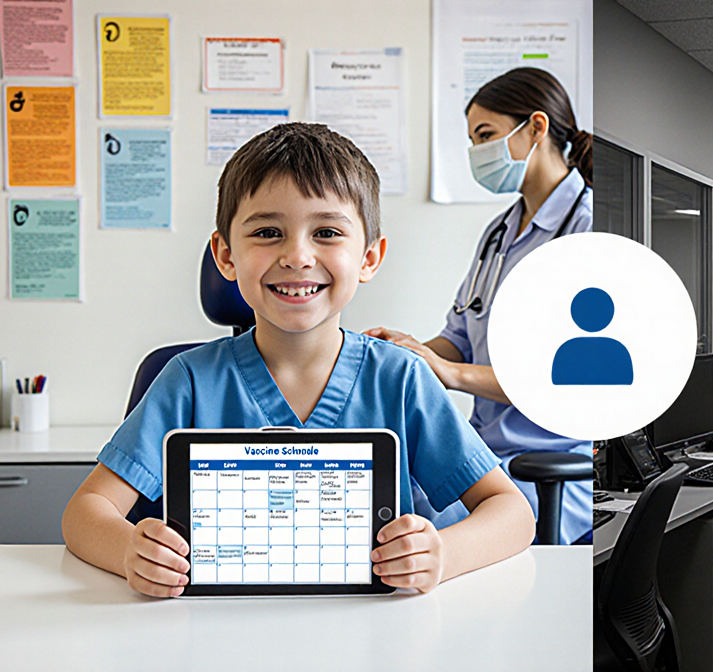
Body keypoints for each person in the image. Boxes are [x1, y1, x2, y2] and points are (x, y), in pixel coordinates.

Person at [62, 123, 535, 597]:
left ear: (369, 257)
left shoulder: (401, 379)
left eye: (326, 232)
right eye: (268, 232)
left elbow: (512, 514)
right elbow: (85, 513)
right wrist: (129, 551)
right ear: (226, 256)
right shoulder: (187, 381)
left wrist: (443, 554)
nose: (297, 255)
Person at [365, 68, 593, 544]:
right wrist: (404, 355)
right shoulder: (498, 234)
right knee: (387, 500)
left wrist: (450, 375)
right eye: (472, 140)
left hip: (552, 466)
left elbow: (567, 379)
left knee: (414, 540)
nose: (477, 153)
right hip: (485, 453)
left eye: (486, 135)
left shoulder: (587, 227)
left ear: (536, 127)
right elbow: (460, 339)